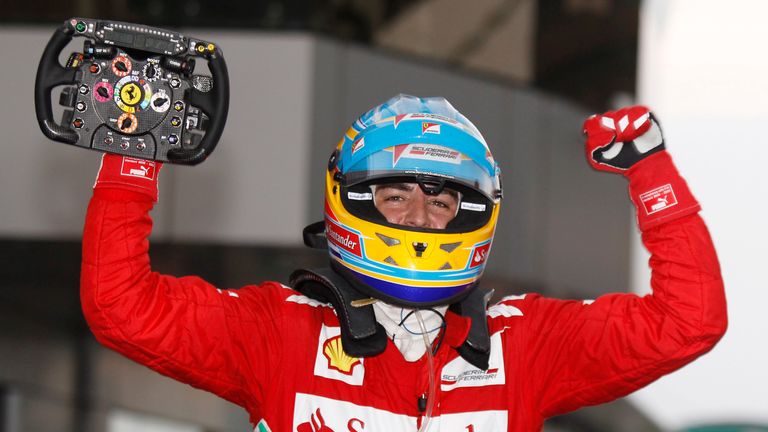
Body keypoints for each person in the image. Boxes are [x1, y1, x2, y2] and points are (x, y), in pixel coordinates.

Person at [80, 94, 727, 431]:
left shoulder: (524, 344)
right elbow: (121, 307)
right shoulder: (279, 330)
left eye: (442, 201)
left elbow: (689, 321)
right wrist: (133, 156)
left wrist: (649, 170)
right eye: (395, 197)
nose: (419, 217)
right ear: (352, 200)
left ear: (475, 214)